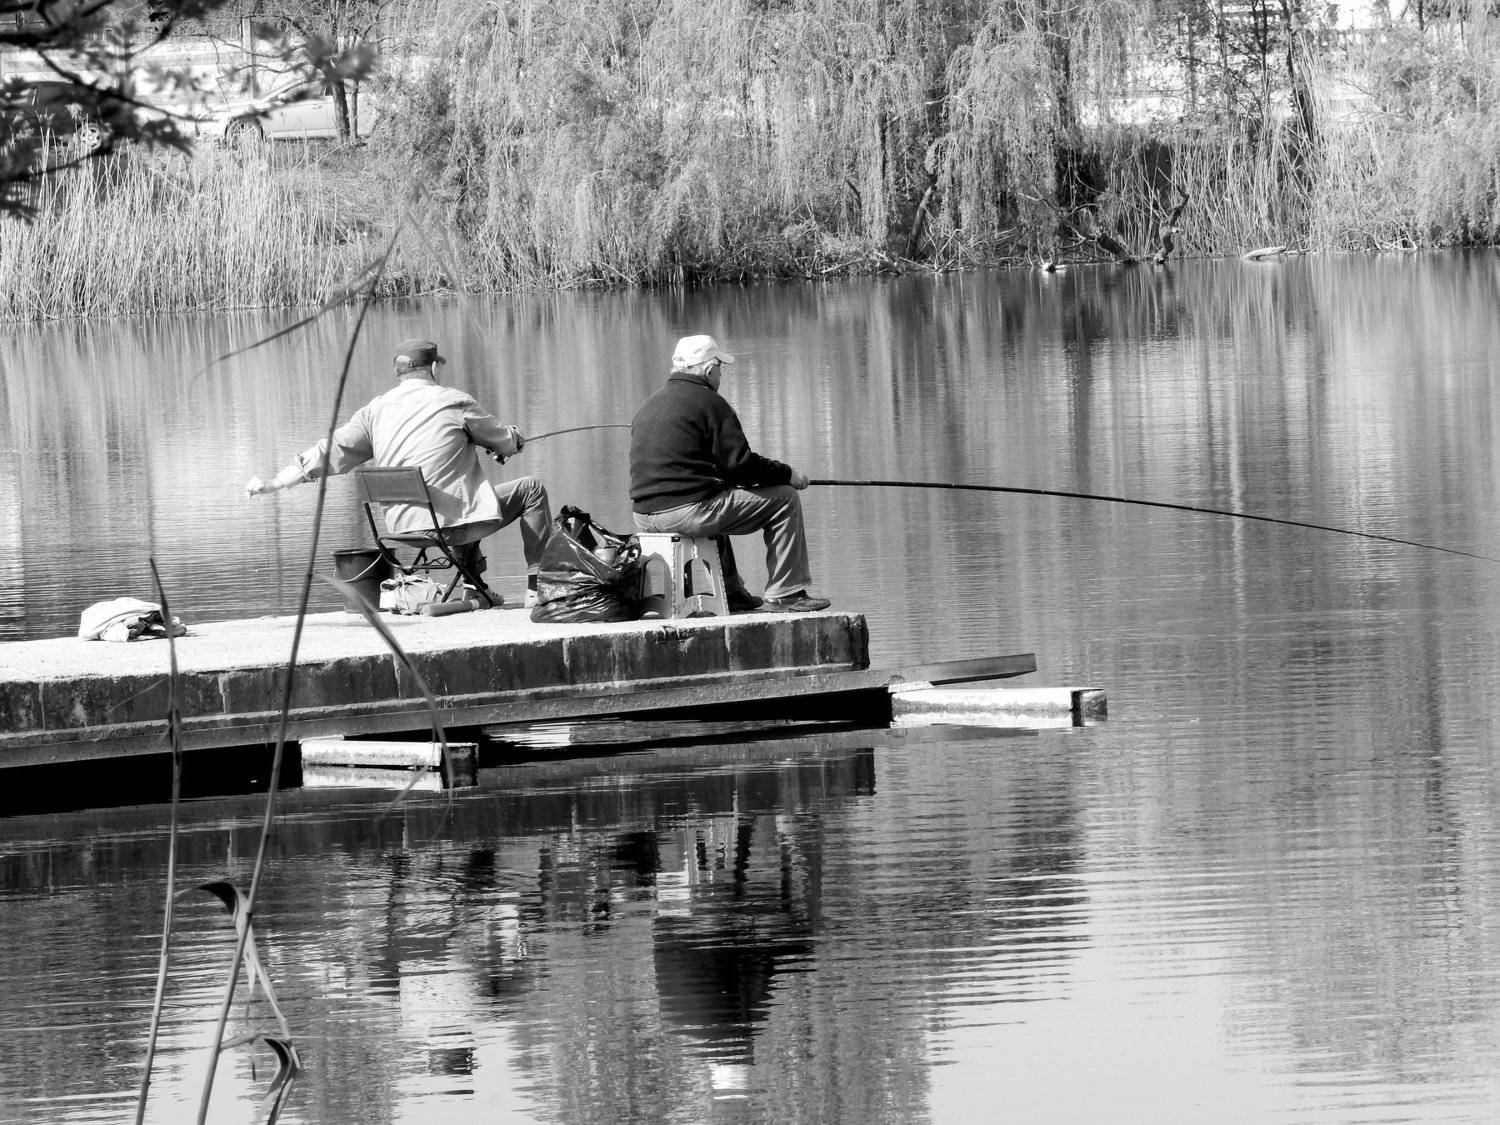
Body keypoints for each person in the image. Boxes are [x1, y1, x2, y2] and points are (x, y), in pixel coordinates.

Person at [246, 338, 553, 606]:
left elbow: (330, 451)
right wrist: (514, 438)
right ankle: (538, 588)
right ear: (434, 368)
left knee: (461, 489)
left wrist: (275, 483)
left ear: (399, 373)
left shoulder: (374, 411)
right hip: (447, 527)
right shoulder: (454, 401)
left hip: (401, 530)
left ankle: (475, 588)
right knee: (531, 490)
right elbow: (506, 441)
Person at [629, 334, 830, 613]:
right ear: (708, 369)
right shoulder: (711, 403)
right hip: (685, 513)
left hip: (644, 514)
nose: (721, 374)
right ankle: (787, 593)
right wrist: (788, 474)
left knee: (717, 498)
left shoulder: (649, 405)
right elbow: (741, 466)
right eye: (720, 367)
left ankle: (732, 594)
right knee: (785, 499)